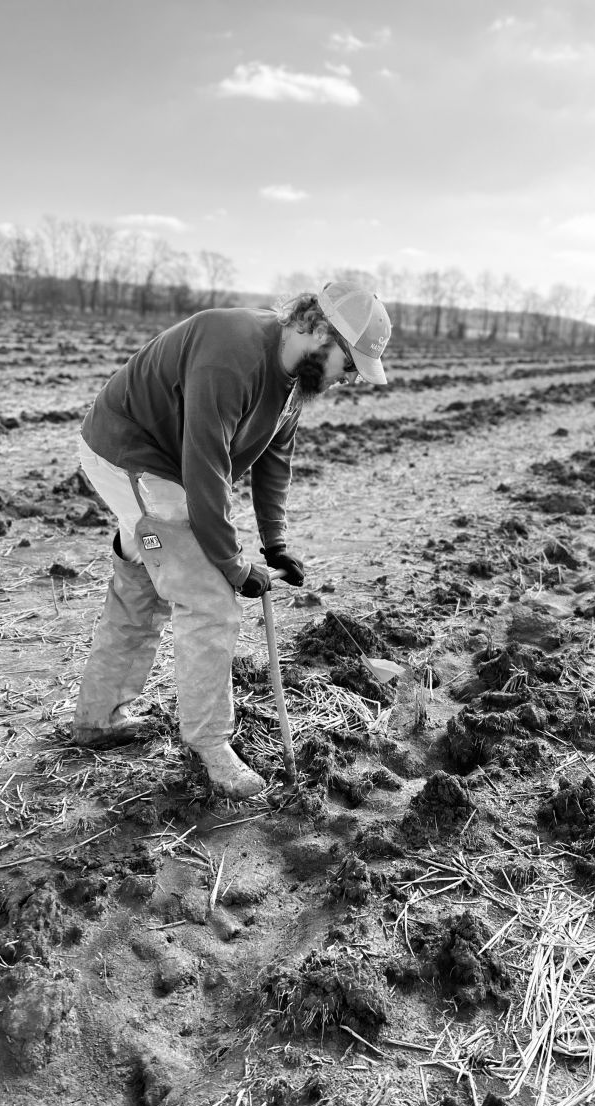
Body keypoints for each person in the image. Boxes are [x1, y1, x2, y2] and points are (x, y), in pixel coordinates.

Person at [72, 280, 392, 799]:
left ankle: (99, 717)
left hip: (173, 465)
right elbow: (206, 472)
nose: (351, 378)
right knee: (208, 596)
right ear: (319, 330)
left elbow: (274, 459)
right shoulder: (232, 352)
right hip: (131, 451)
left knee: (147, 576)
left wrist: (274, 542)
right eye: (351, 363)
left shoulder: (294, 381)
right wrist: (232, 565)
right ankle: (209, 747)